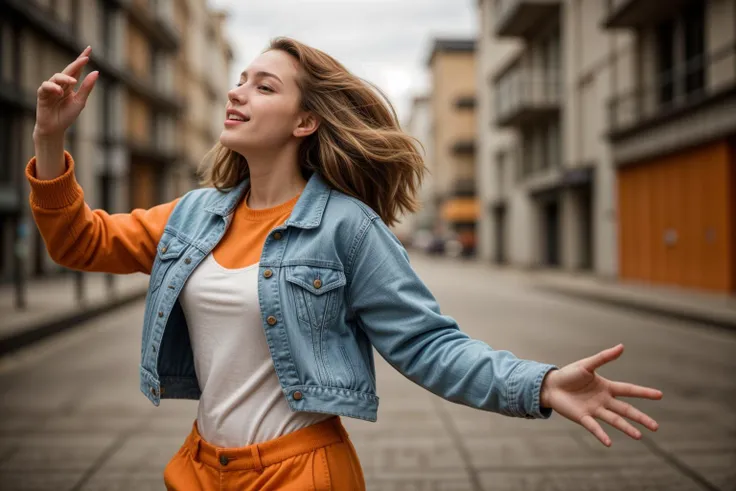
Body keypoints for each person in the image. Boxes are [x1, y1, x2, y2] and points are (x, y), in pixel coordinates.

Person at [27, 40, 662, 490]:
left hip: (300, 473)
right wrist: (50, 141)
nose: (236, 90)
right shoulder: (194, 215)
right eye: (241, 79)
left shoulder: (347, 228)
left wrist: (540, 383)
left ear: (306, 120)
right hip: (198, 468)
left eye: (263, 85)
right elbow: (80, 242)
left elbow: (426, 344)